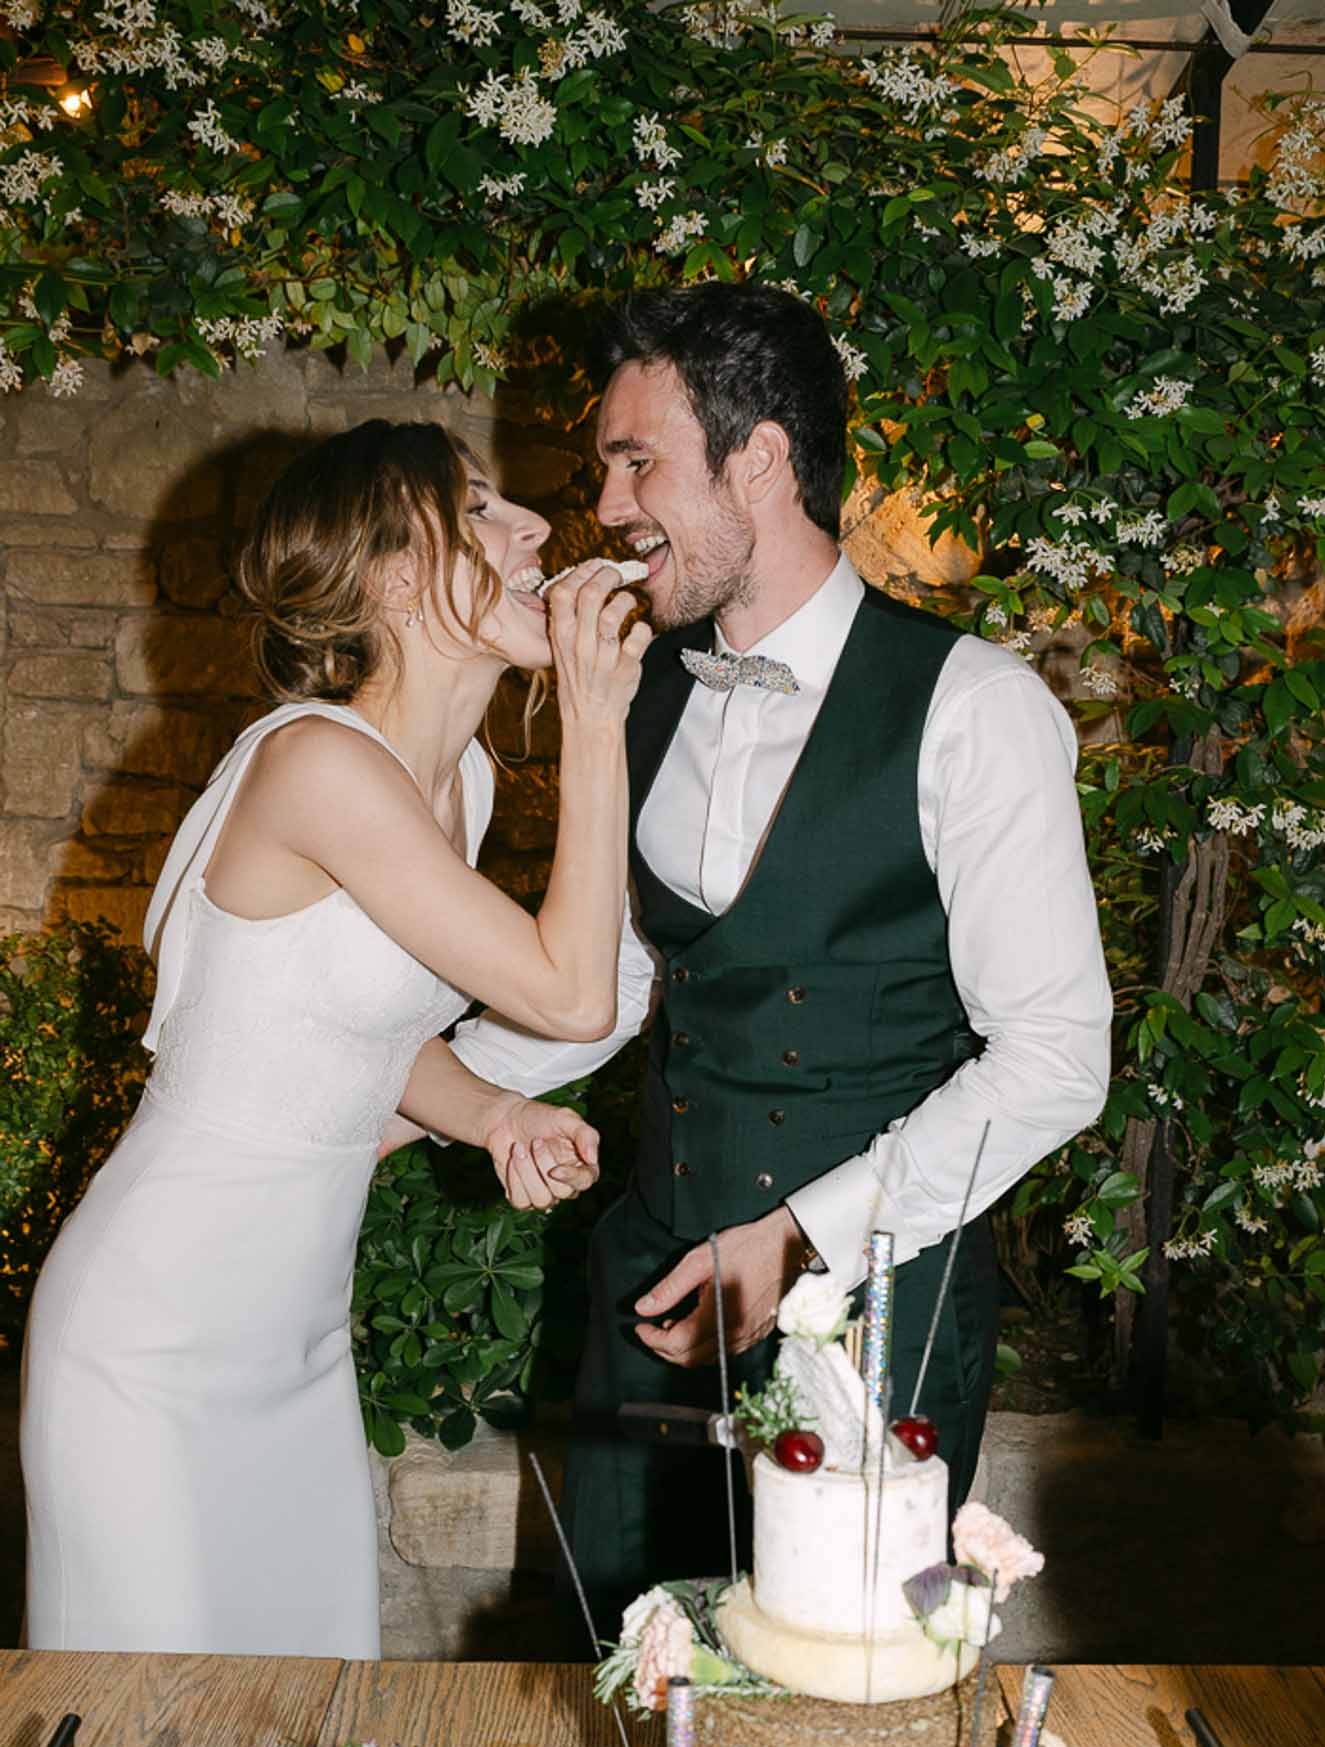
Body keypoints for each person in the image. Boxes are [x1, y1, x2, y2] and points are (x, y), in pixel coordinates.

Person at [453, 284, 1113, 1630]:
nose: (607, 505)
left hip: (875, 1330)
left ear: (758, 458)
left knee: (841, 1731)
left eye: (638, 460)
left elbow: (1056, 1061)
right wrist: (402, 1085)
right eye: (605, 468)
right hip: (648, 1299)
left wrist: (807, 1238)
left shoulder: (975, 710)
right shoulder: (643, 697)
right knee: (628, 1712)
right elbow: (618, 991)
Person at [20, 419, 646, 1657]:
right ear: (397, 577)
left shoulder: (455, 781)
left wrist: (494, 1111)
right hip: (148, 1348)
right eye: (481, 512)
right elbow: (572, 998)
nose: (533, 530)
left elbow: (354, 1026)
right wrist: (596, 715)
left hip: (297, 1349)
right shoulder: (317, 764)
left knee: (311, 1737)